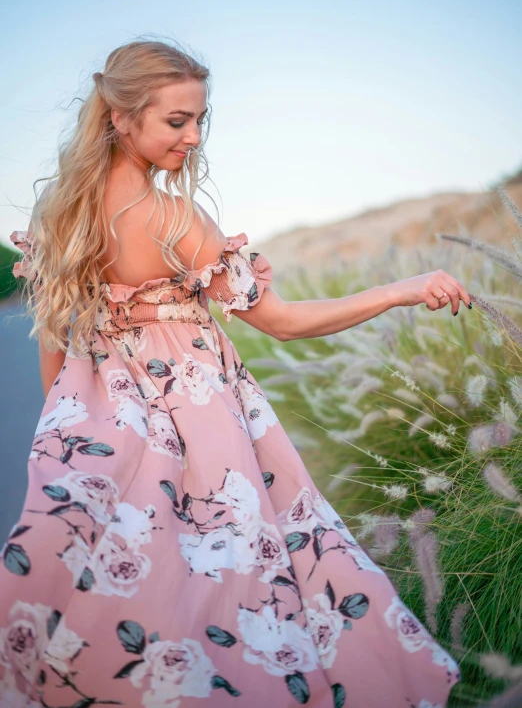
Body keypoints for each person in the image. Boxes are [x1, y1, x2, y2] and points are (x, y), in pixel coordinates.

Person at [1, 37, 470, 708]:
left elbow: (53, 344)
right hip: (205, 430)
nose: (193, 137)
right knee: (249, 586)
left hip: (98, 428)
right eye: (176, 120)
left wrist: (73, 439)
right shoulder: (172, 219)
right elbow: (284, 321)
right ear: (120, 117)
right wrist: (402, 287)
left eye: (199, 119)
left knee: (125, 593)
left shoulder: (61, 218)